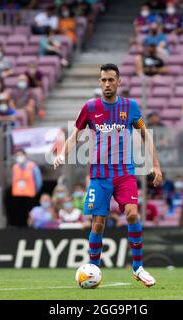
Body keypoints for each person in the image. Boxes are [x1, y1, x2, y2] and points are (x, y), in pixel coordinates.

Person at [53, 63, 163, 287]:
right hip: (100, 175)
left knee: (132, 214)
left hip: (125, 174)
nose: (107, 84)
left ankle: (138, 267)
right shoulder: (90, 107)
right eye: (103, 80)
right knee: (98, 223)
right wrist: (62, 154)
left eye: (111, 80)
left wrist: (156, 165)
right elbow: (76, 135)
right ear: (99, 82)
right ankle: (94, 269)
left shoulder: (130, 107)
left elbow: (146, 135)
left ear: (119, 82)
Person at [5, 149, 43, 227]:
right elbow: (13, 180)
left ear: (25, 156)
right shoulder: (15, 167)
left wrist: (35, 192)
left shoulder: (32, 166)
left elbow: (38, 181)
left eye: (20, 155)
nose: (19, 157)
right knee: (18, 214)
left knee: (29, 216)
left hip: (29, 196)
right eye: (17, 155)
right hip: (17, 196)